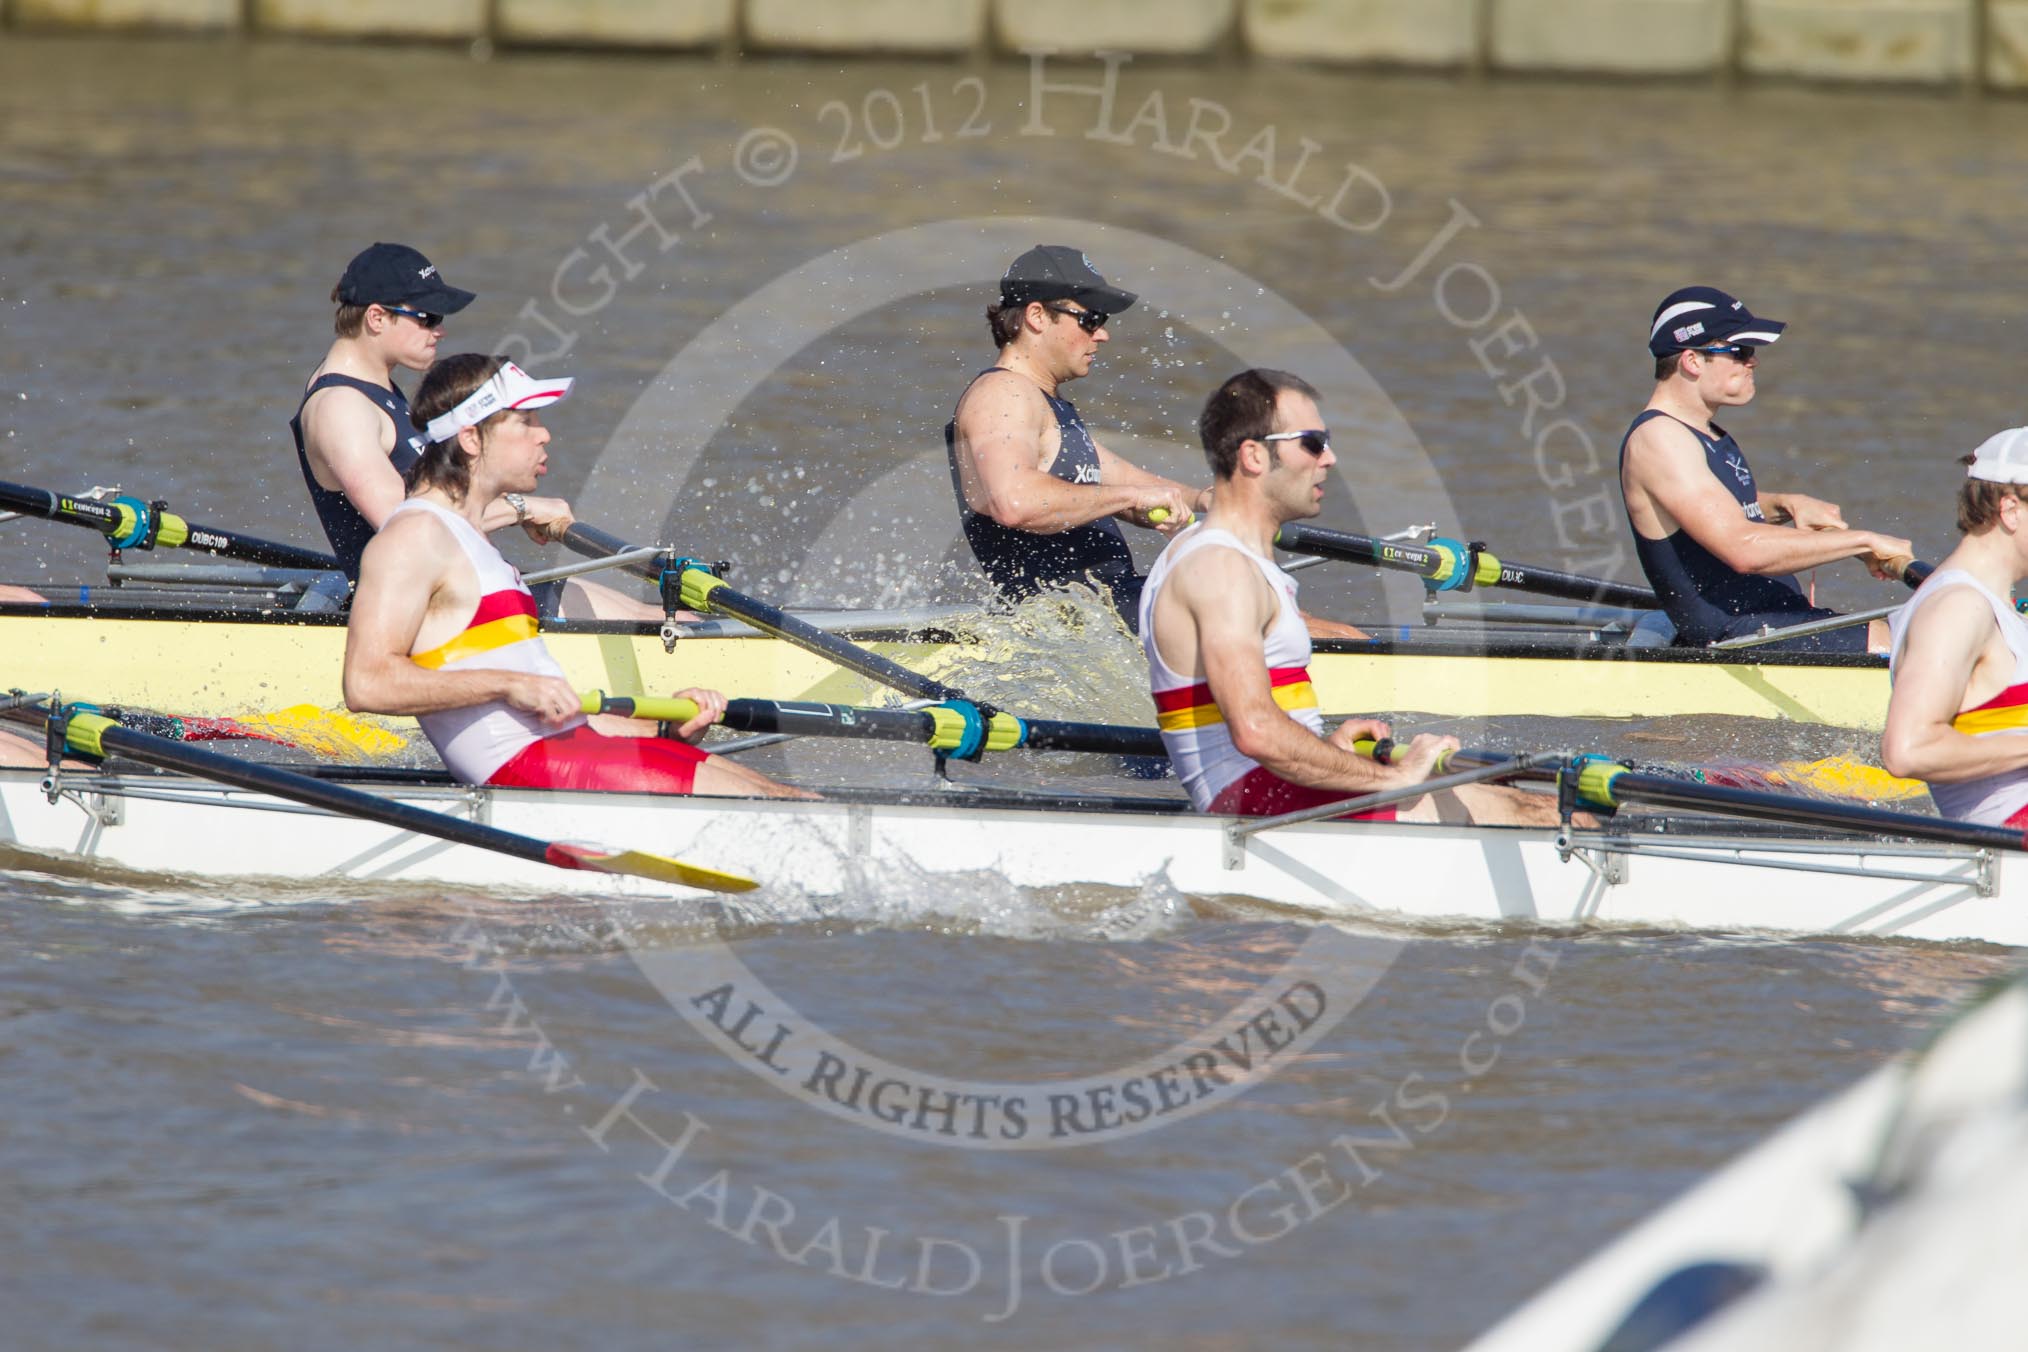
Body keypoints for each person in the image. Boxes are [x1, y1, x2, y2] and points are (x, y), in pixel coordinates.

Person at [342, 353, 807, 799]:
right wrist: (508, 683)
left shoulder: (470, 539)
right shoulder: (414, 535)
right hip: (524, 767)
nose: (544, 436)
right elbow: (367, 683)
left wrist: (664, 729)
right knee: (781, 808)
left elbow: (559, 722)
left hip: (565, 751)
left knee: (786, 795)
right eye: (526, 421)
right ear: (471, 439)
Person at [1140, 368, 1565, 825]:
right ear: (1254, 457)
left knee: (1528, 796)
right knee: (1555, 816)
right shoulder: (1221, 568)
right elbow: (1256, 730)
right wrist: (1393, 778)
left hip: (1273, 789)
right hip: (1260, 801)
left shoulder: (1220, 555)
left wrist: (1328, 753)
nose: (1330, 458)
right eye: (1313, 443)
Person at [948, 246, 1365, 639]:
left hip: (1109, 608)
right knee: (1310, 626)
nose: (1103, 335)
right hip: (1071, 623)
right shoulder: (1003, 396)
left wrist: (1207, 500)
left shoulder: (1044, 405)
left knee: (1287, 609)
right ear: (1038, 316)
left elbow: (1130, 482)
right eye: (1090, 319)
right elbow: (1014, 502)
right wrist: (1131, 497)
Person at [294, 243, 657, 620]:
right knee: (666, 624)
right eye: (428, 317)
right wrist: (522, 508)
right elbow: (407, 526)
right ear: (376, 318)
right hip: (426, 616)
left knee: (664, 612)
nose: (440, 331)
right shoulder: (341, 408)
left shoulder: (374, 387)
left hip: (457, 592)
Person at [1620, 285, 1912, 653]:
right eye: (1739, 352)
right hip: (1734, 632)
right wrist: (1864, 541)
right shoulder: (1660, 439)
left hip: (1766, 619)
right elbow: (1744, 549)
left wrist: (1785, 505)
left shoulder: (1699, 433)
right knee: (1911, 644)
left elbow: (1707, 507)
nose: (1752, 362)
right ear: (1692, 361)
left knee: (1923, 630)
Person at [1881, 429, 2028, 825]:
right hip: (2007, 849)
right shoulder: (1957, 608)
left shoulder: (1994, 607)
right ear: (2011, 510)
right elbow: (1908, 749)